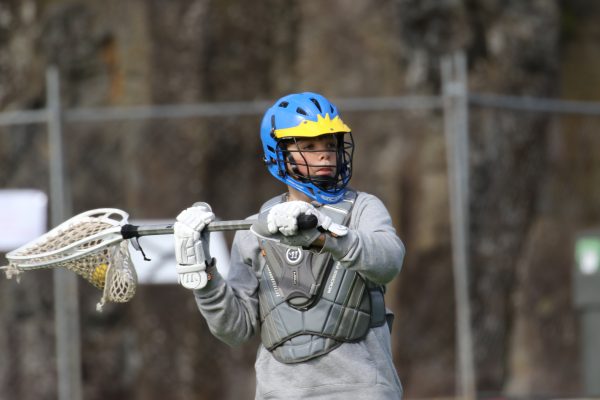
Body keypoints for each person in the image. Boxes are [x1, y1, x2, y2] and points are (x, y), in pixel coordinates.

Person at [173, 92, 405, 399]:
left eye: (331, 145)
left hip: (361, 388)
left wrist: (325, 236)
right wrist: (203, 275)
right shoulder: (254, 229)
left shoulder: (364, 208)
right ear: (279, 153)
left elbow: (388, 262)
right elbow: (236, 330)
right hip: (280, 392)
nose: (325, 155)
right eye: (309, 146)